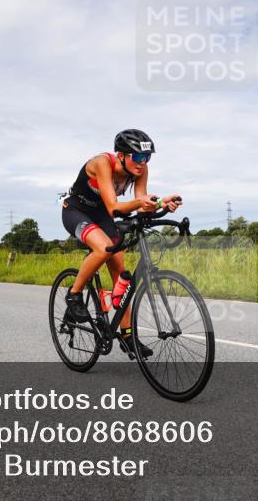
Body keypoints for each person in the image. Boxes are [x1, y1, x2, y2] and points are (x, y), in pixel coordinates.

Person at [61, 129, 182, 358]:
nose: (142, 162)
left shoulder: (140, 169)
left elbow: (141, 204)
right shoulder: (102, 163)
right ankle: (74, 294)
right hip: (76, 212)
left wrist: (161, 204)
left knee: (121, 275)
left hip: (101, 215)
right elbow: (115, 207)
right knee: (104, 248)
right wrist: (146, 202)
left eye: (147, 157)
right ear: (121, 155)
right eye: (138, 157)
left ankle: (128, 337)